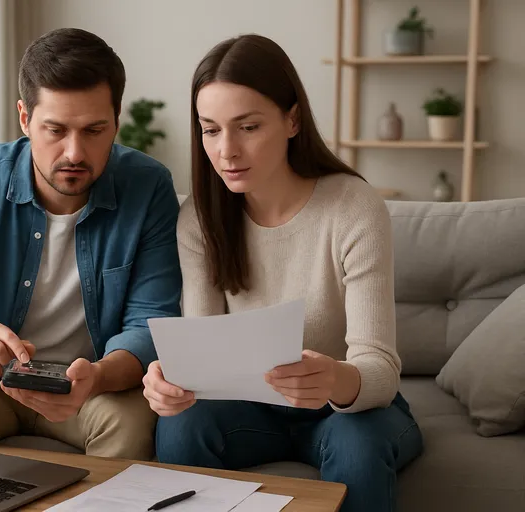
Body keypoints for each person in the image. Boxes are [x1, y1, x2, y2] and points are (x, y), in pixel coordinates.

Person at [142, 34, 423, 511]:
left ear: (292, 119)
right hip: (254, 415)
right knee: (180, 424)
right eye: (210, 130)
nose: (227, 151)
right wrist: (171, 383)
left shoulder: (353, 207)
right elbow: (203, 357)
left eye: (247, 126)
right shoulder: (201, 219)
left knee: (358, 446)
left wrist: (334, 379)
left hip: (350, 412)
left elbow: (380, 368)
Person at [0, 27, 182, 461]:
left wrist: (95, 377)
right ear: (24, 118)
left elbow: (152, 323)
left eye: (95, 130)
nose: (75, 152)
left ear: (116, 119)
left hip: (90, 390)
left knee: (132, 425)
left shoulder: (149, 186)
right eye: (55, 130)